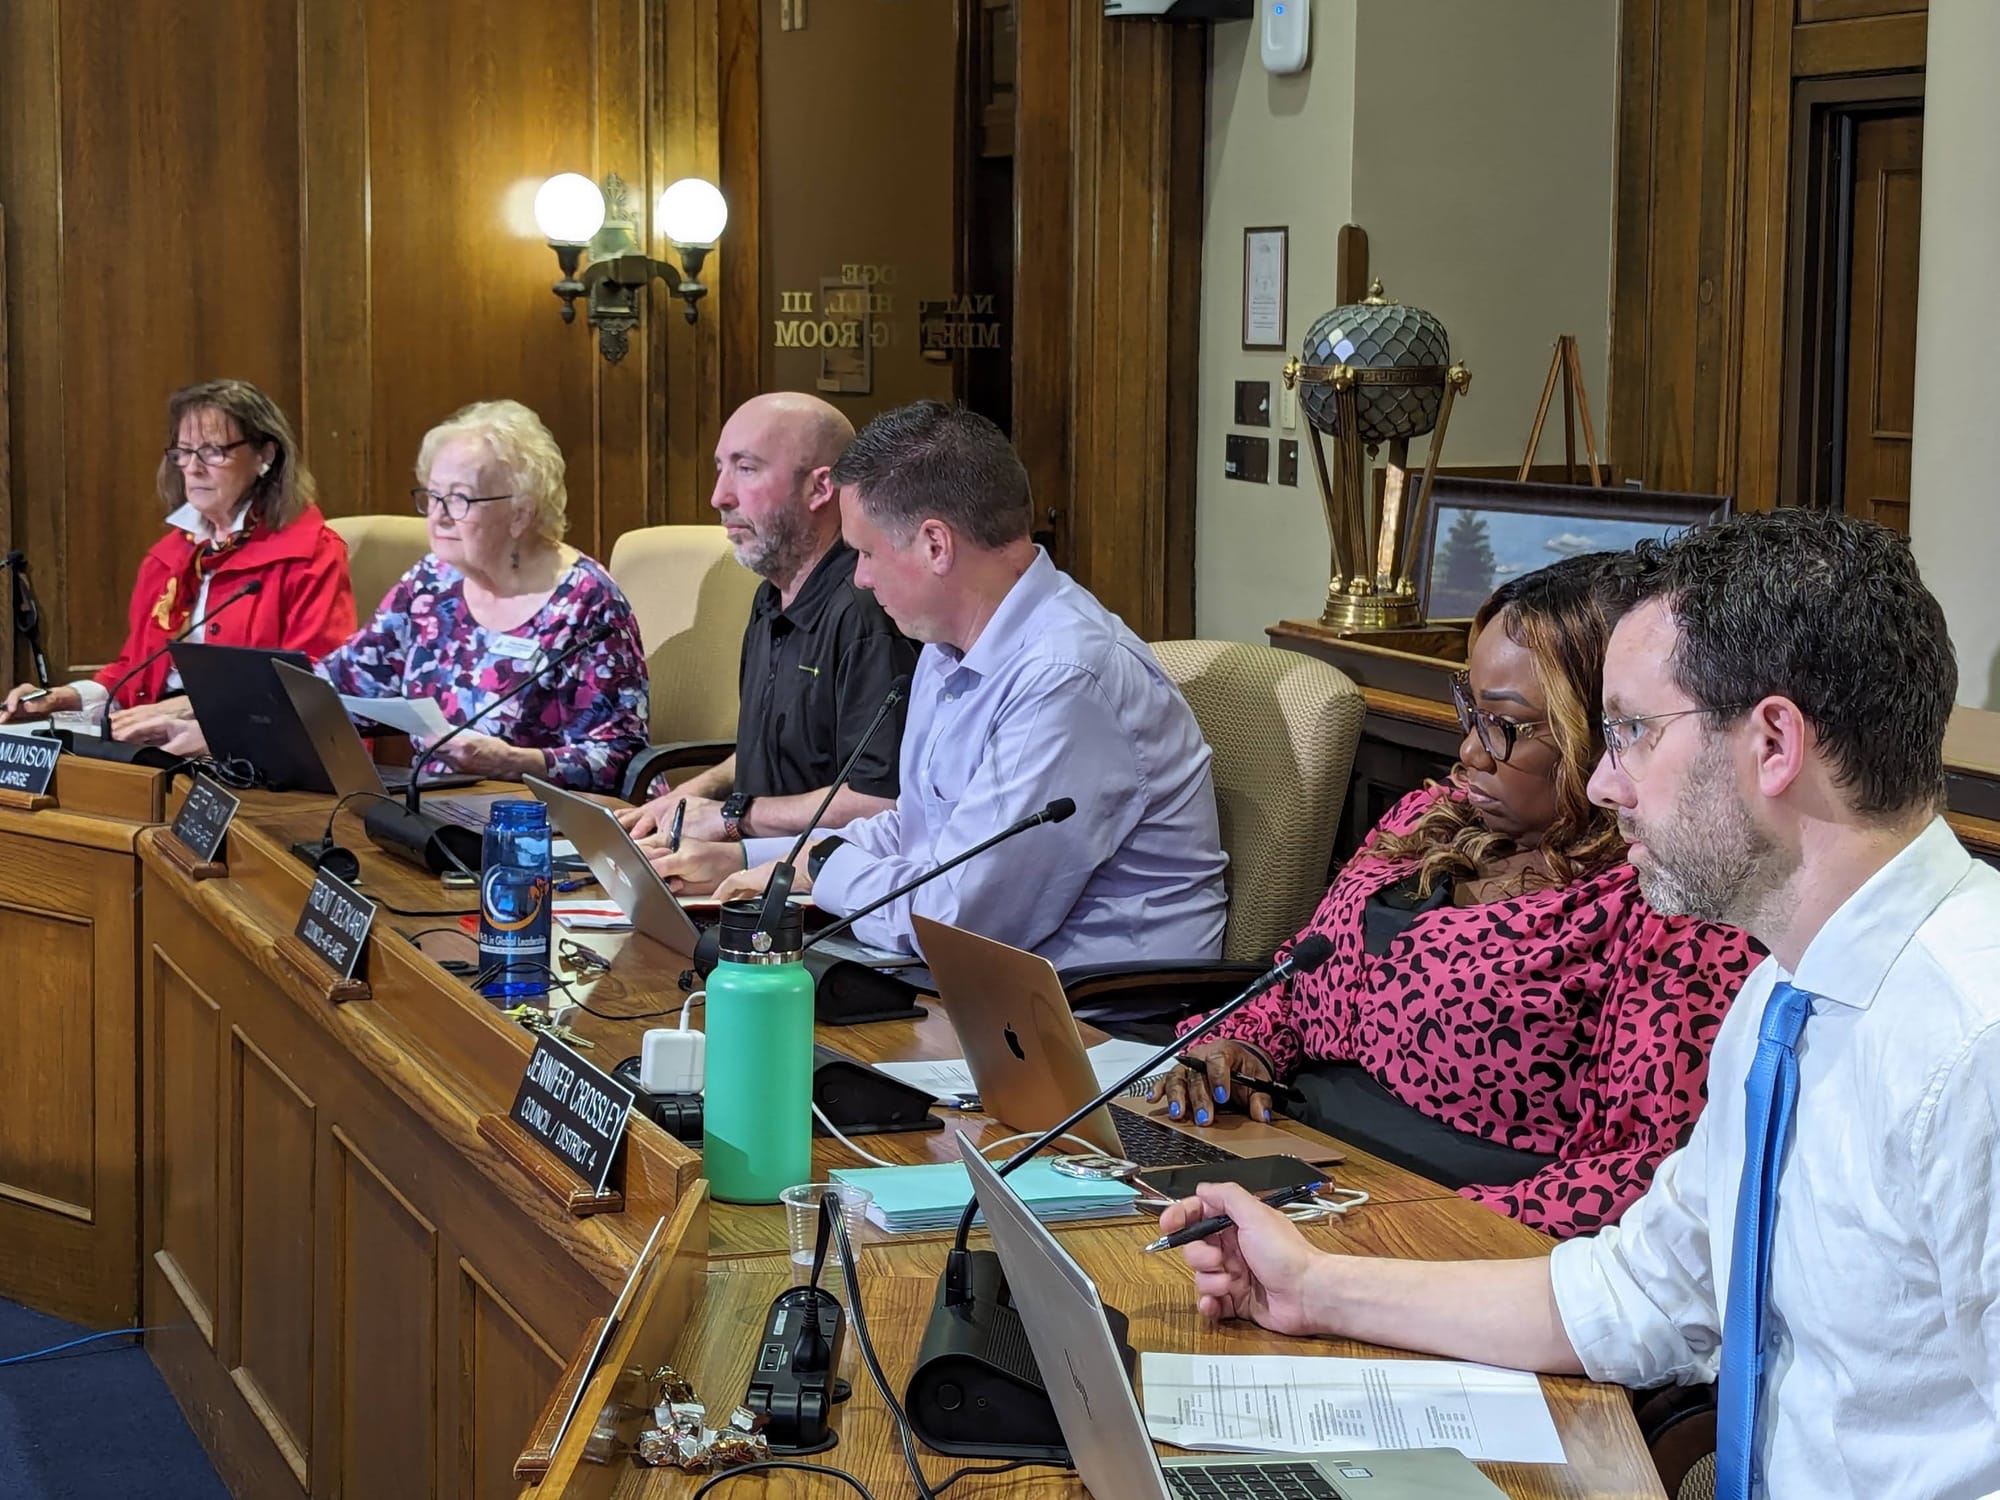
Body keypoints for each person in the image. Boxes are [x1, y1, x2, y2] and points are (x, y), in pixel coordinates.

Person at [1159, 510, 1999, 1500]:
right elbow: (1643, 1290)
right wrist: (1311, 1286)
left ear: (1772, 742)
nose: (1603, 781)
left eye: (1631, 733)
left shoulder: (1971, 1044)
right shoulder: (1782, 995)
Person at [1154, 554, 1756, 1237]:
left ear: (1601, 736)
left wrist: (1408, 1234)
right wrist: (1241, 1045)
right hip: (1284, 1157)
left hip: (1443, 1228)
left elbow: (1645, 1174)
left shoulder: (1662, 903)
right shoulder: (1431, 816)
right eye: (1471, 709)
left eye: (1505, 725)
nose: (1470, 750)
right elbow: (1299, 976)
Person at [655, 399, 1229, 968]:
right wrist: (753, 860)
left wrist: (821, 866)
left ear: (936, 545)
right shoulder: (946, 645)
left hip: (1084, 1008)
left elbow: (960, 921)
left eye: (866, 553)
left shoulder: (1065, 678)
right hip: (967, 979)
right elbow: (916, 832)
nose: (860, 578)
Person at [618, 392, 916, 850]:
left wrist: (733, 817)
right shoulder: (770, 596)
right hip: (741, 860)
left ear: (820, 488)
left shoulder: (866, 612)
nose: (719, 496)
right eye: (720, 468)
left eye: (746, 468)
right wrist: (688, 795)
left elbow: (878, 803)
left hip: (814, 879)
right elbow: (772, 751)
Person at [311, 399, 649, 792]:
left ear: (521, 514)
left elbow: (619, 757)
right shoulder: (431, 583)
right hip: (436, 808)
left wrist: (511, 762)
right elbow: (343, 686)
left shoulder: (586, 601)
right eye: (432, 496)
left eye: (459, 499)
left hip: (541, 815)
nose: (438, 516)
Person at [0, 379, 355, 732]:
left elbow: (317, 682)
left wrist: (193, 707)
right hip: (159, 729)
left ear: (265, 455)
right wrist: (66, 697)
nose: (193, 468)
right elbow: (136, 670)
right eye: (183, 452)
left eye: (213, 451)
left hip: (259, 739)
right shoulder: (169, 557)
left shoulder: (309, 553)